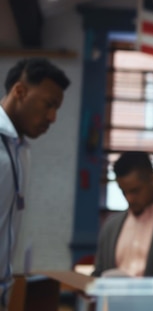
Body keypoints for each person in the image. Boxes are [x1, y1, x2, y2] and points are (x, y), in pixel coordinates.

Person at [0, 58, 70, 310]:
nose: (52, 117)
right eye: (48, 104)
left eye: (57, 109)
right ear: (20, 91)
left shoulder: (21, 151)